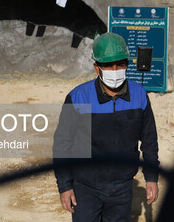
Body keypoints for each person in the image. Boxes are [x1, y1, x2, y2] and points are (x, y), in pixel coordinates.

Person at [54, 32, 160, 221]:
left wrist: (151, 177)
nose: (115, 69)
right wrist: (65, 186)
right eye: (108, 65)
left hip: (122, 188)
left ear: (127, 64)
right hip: (85, 188)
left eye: (120, 63)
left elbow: (149, 140)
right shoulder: (78, 97)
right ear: (97, 67)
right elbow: (63, 144)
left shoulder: (139, 95)